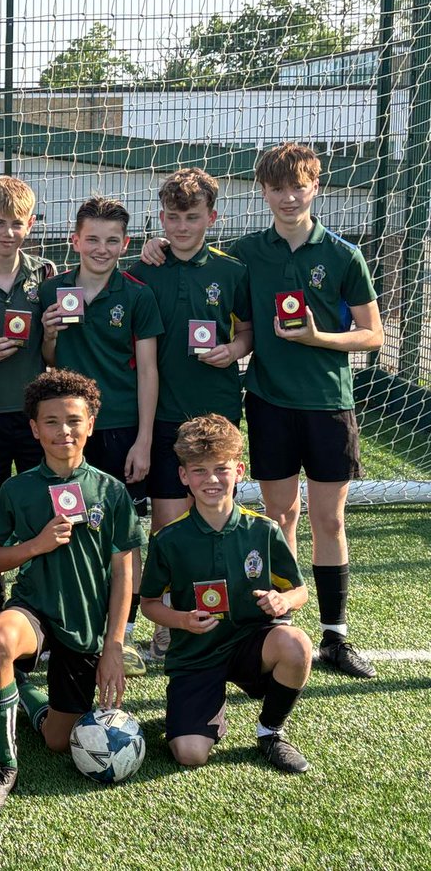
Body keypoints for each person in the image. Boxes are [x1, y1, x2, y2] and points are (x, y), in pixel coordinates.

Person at [141, 144, 384, 678]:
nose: (288, 197)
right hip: (269, 402)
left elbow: (373, 334)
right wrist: (153, 244)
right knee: (281, 517)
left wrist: (318, 337)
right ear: (264, 193)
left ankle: (336, 635)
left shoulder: (343, 254)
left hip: (329, 404)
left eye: (298, 186)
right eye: (277, 188)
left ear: (315, 186)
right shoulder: (247, 253)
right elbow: (197, 258)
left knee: (329, 518)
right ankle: (279, 623)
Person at [0, 369, 143, 814]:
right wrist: (36, 545)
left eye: (73, 420)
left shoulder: (111, 491)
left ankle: (23, 692)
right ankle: (1, 766)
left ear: (90, 425)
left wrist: (113, 646)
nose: (63, 430)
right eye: (51, 421)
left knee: (58, 741)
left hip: (85, 625)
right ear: (34, 428)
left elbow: (124, 573)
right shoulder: (17, 489)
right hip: (35, 608)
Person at [140, 413, 313, 773]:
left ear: (239, 470)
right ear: (183, 476)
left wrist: (283, 600)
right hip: (196, 654)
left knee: (296, 644)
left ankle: (270, 732)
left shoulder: (262, 530)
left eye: (221, 468)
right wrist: (182, 620)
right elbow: (150, 604)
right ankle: (200, 714)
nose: (212, 479)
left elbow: (300, 590)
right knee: (189, 754)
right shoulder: (168, 539)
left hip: (251, 644)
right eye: (199, 471)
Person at [128, 168, 253, 662]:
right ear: (161, 218)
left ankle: (221, 621)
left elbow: (247, 331)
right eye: (173, 217)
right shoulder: (144, 270)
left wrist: (233, 350)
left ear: (212, 218)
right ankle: (170, 626)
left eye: (192, 217)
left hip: (217, 414)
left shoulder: (232, 271)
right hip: (162, 415)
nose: (182, 227)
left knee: (215, 518)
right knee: (167, 524)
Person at [39, 196, 162, 677]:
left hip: (121, 430)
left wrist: (144, 439)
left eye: (112, 240)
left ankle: (123, 635)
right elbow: (47, 363)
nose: (101, 248)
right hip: (68, 433)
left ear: (125, 244)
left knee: (122, 536)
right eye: (92, 239)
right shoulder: (51, 290)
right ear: (75, 240)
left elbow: (148, 371)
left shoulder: (137, 295)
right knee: (65, 527)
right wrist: (49, 333)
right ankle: (64, 630)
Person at [0, 176, 56, 630]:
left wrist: (52, 334)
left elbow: (52, 357)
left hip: (35, 417)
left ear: (31, 224)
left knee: (45, 508)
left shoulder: (46, 275)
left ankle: (45, 608)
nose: (8, 232)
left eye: (17, 223)